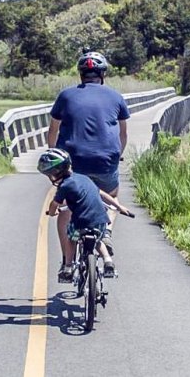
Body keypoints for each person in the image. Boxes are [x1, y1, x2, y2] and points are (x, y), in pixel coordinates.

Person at [47, 49, 130, 273]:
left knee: (66, 209)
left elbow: (53, 130)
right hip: (105, 161)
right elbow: (122, 134)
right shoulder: (116, 96)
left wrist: (54, 158)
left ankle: (67, 264)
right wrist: (116, 155)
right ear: (102, 75)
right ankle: (107, 233)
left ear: (81, 74)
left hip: (73, 164)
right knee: (111, 197)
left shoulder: (66, 96)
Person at [37, 148, 133, 282]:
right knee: (97, 240)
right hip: (100, 220)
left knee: (72, 239)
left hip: (81, 222)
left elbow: (54, 204)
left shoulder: (64, 186)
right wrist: (119, 207)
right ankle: (108, 260)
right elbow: (101, 193)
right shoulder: (84, 178)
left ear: (56, 173)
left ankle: (68, 267)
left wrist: (52, 213)